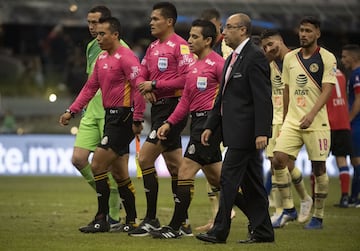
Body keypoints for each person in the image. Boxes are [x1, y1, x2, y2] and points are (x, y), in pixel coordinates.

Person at [59, 17, 145, 233]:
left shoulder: (127, 58)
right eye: (97, 34)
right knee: (119, 174)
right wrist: (72, 110)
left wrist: (138, 118)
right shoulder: (102, 59)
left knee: (97, 165)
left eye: (102, 34)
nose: (98, 38)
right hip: (110, 117)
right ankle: (132, 221)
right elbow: (89, 88)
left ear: (115, 35)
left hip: (123, 118)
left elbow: (139, 88)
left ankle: (102, 218)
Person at [196, 13, 274, 244]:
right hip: (234, 131)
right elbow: (223, 97)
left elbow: (263, 98)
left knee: (228, 179)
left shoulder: (254, 57)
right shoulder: (232, 58)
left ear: (243, 31)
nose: (224, 32)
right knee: (253, 185)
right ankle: (263, 231)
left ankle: (219, 230)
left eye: (229, 28)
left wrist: (262, 131)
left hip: (246, 133)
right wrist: (211, 125)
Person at [147, 19, 225, 239]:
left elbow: (227, 98)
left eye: (195, 37)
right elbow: (185, 102)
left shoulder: (219, 64)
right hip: (197, 123)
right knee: (220, 180)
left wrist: (220, 124)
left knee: (184, 171)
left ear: (208, 40)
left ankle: (175, 226)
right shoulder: (192, 66)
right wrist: (169, 122)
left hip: (209, 124)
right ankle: (259, 220)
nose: (189, 40)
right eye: (189, 36)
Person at [128, 2, 194, 237]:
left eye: (156, 19)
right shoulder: (153, 47)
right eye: (151, 19)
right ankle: (183, 223)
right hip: (158, 109)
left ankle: (151, 219)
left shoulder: (181, 47)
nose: (151, 22)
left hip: (174, 108)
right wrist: (145, 88)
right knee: (176, 167)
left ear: (169, 21)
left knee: (144, 158)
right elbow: (141, 75)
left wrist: (155, 84)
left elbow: (187, 80)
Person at [271, 16, 337, 230]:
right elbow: (287, 89)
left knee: (319, 168)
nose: (303, 34)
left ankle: (317, 216)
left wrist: (311, 114)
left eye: (308, 31)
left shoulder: (327, 58)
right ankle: (289, 208)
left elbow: (327, 89)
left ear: (317, 33)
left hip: (317, 123)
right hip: (292, 121)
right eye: (301, 30)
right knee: (278, 160)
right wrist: (285, 120)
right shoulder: (290, 58)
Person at [70, 6, 130, 232]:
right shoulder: (90, 48)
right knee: (78, 159)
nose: (92, 27)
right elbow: (91, 83)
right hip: (91, 113)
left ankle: (113, 216)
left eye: (96, 23)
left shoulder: (123, 50)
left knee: (114, 168)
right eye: (89, 22)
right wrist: (79, 108)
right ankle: (110, 194)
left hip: (112, 114)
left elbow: (132, 82)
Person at [259, 29, 313, 226]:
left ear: (280, 42)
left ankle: (291, 206)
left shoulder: (299, 59)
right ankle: (288, 207)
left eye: (271, 44)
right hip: (275, 118)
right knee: (277, 163)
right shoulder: (270, 63)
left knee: (281, 162)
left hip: (292, 118)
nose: (268, 49)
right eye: (265, 47)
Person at [196, 7, 235, 233]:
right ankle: (218, 217)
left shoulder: (228, 49)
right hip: (207, 115)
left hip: (221, 115)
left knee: (220, 169)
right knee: (210, 168)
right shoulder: (202, 51)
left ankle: (236, 210)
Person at [323, 69, 353, 208]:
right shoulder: (341, 73)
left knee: (318, 161)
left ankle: (315, 196)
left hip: (327, 123)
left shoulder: (322, 73)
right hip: (343, 123)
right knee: (342, 160)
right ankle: (345, 197)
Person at [341, 44, 360, 207]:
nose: (342, 60)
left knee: (356, 161)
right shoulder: (354, 74)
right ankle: (354, 197)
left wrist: (348, 120)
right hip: (356, 122)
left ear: (354, 57)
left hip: (356, 123)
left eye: (345, 56)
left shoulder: (357, 75)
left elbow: (359, 101)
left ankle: (355, 198)